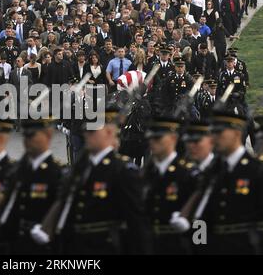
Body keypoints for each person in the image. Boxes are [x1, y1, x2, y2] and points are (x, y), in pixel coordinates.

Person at [31, 106, 152, 254]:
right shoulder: (82, 167)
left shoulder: (122, 171)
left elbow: (137, 223)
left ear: (108, 132)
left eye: (92, 131)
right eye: (86, 130)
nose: (86, 135)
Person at [200, 111, 263, 254]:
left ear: (236, 133)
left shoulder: (256, 171)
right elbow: (202, 219)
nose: (214, 137)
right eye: (213, 132)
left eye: (219, 132)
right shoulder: (212, 171)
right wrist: (198, 246)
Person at [0, 118, 65, 254]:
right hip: (18, 244)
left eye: (32, 135)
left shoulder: (57, 173)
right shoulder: (17, 170)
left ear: (48, 135)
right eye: (25, 135)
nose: (27, 141)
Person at [143, 117, 197, 254]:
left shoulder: (186, 173)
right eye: (151, 139)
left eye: (158, 139)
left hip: (177, 245)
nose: (153, 143)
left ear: (173, 139)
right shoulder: (146, 174)